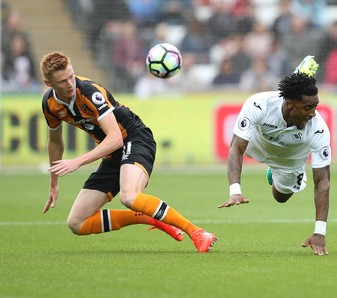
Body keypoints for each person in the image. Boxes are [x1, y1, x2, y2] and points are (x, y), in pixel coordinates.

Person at [40, 51, 216, 253]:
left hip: (135, 138)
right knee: (76, 223)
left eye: (71, 76)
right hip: (113, 152)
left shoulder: (90, 92)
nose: (70, 84)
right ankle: (152, 219)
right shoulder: (50, 105)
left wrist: (78, 161)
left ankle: (197, 232)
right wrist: (54, 184)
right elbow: (55, 142)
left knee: (129, 197)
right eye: (63, 81)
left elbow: (115, 137)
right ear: (48, 83)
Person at [218, 57, 331, 256]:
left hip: (289, 160)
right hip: (256, 144)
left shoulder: (318, 129)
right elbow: (236, 149)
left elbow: (322, 182)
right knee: (238, 140)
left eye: (316, 106)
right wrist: (235, 190)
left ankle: (276, 173)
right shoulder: (260, 104)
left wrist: (319, 232)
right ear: (289, 104)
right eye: (308, 108)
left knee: (280, 197)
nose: (314, 113)